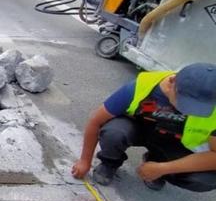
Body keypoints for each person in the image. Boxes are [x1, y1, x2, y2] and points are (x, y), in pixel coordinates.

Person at [72, 63, 216, 192]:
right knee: (113, 133)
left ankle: (156, 165)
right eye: (185, 103)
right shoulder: (141, 86)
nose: (189, 110)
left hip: (175, 141)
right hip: (138, 128)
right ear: (172, 82)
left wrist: (163, 168)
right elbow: (95, 121)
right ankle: (109, 163)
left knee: (205, 180)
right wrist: (85, 161)